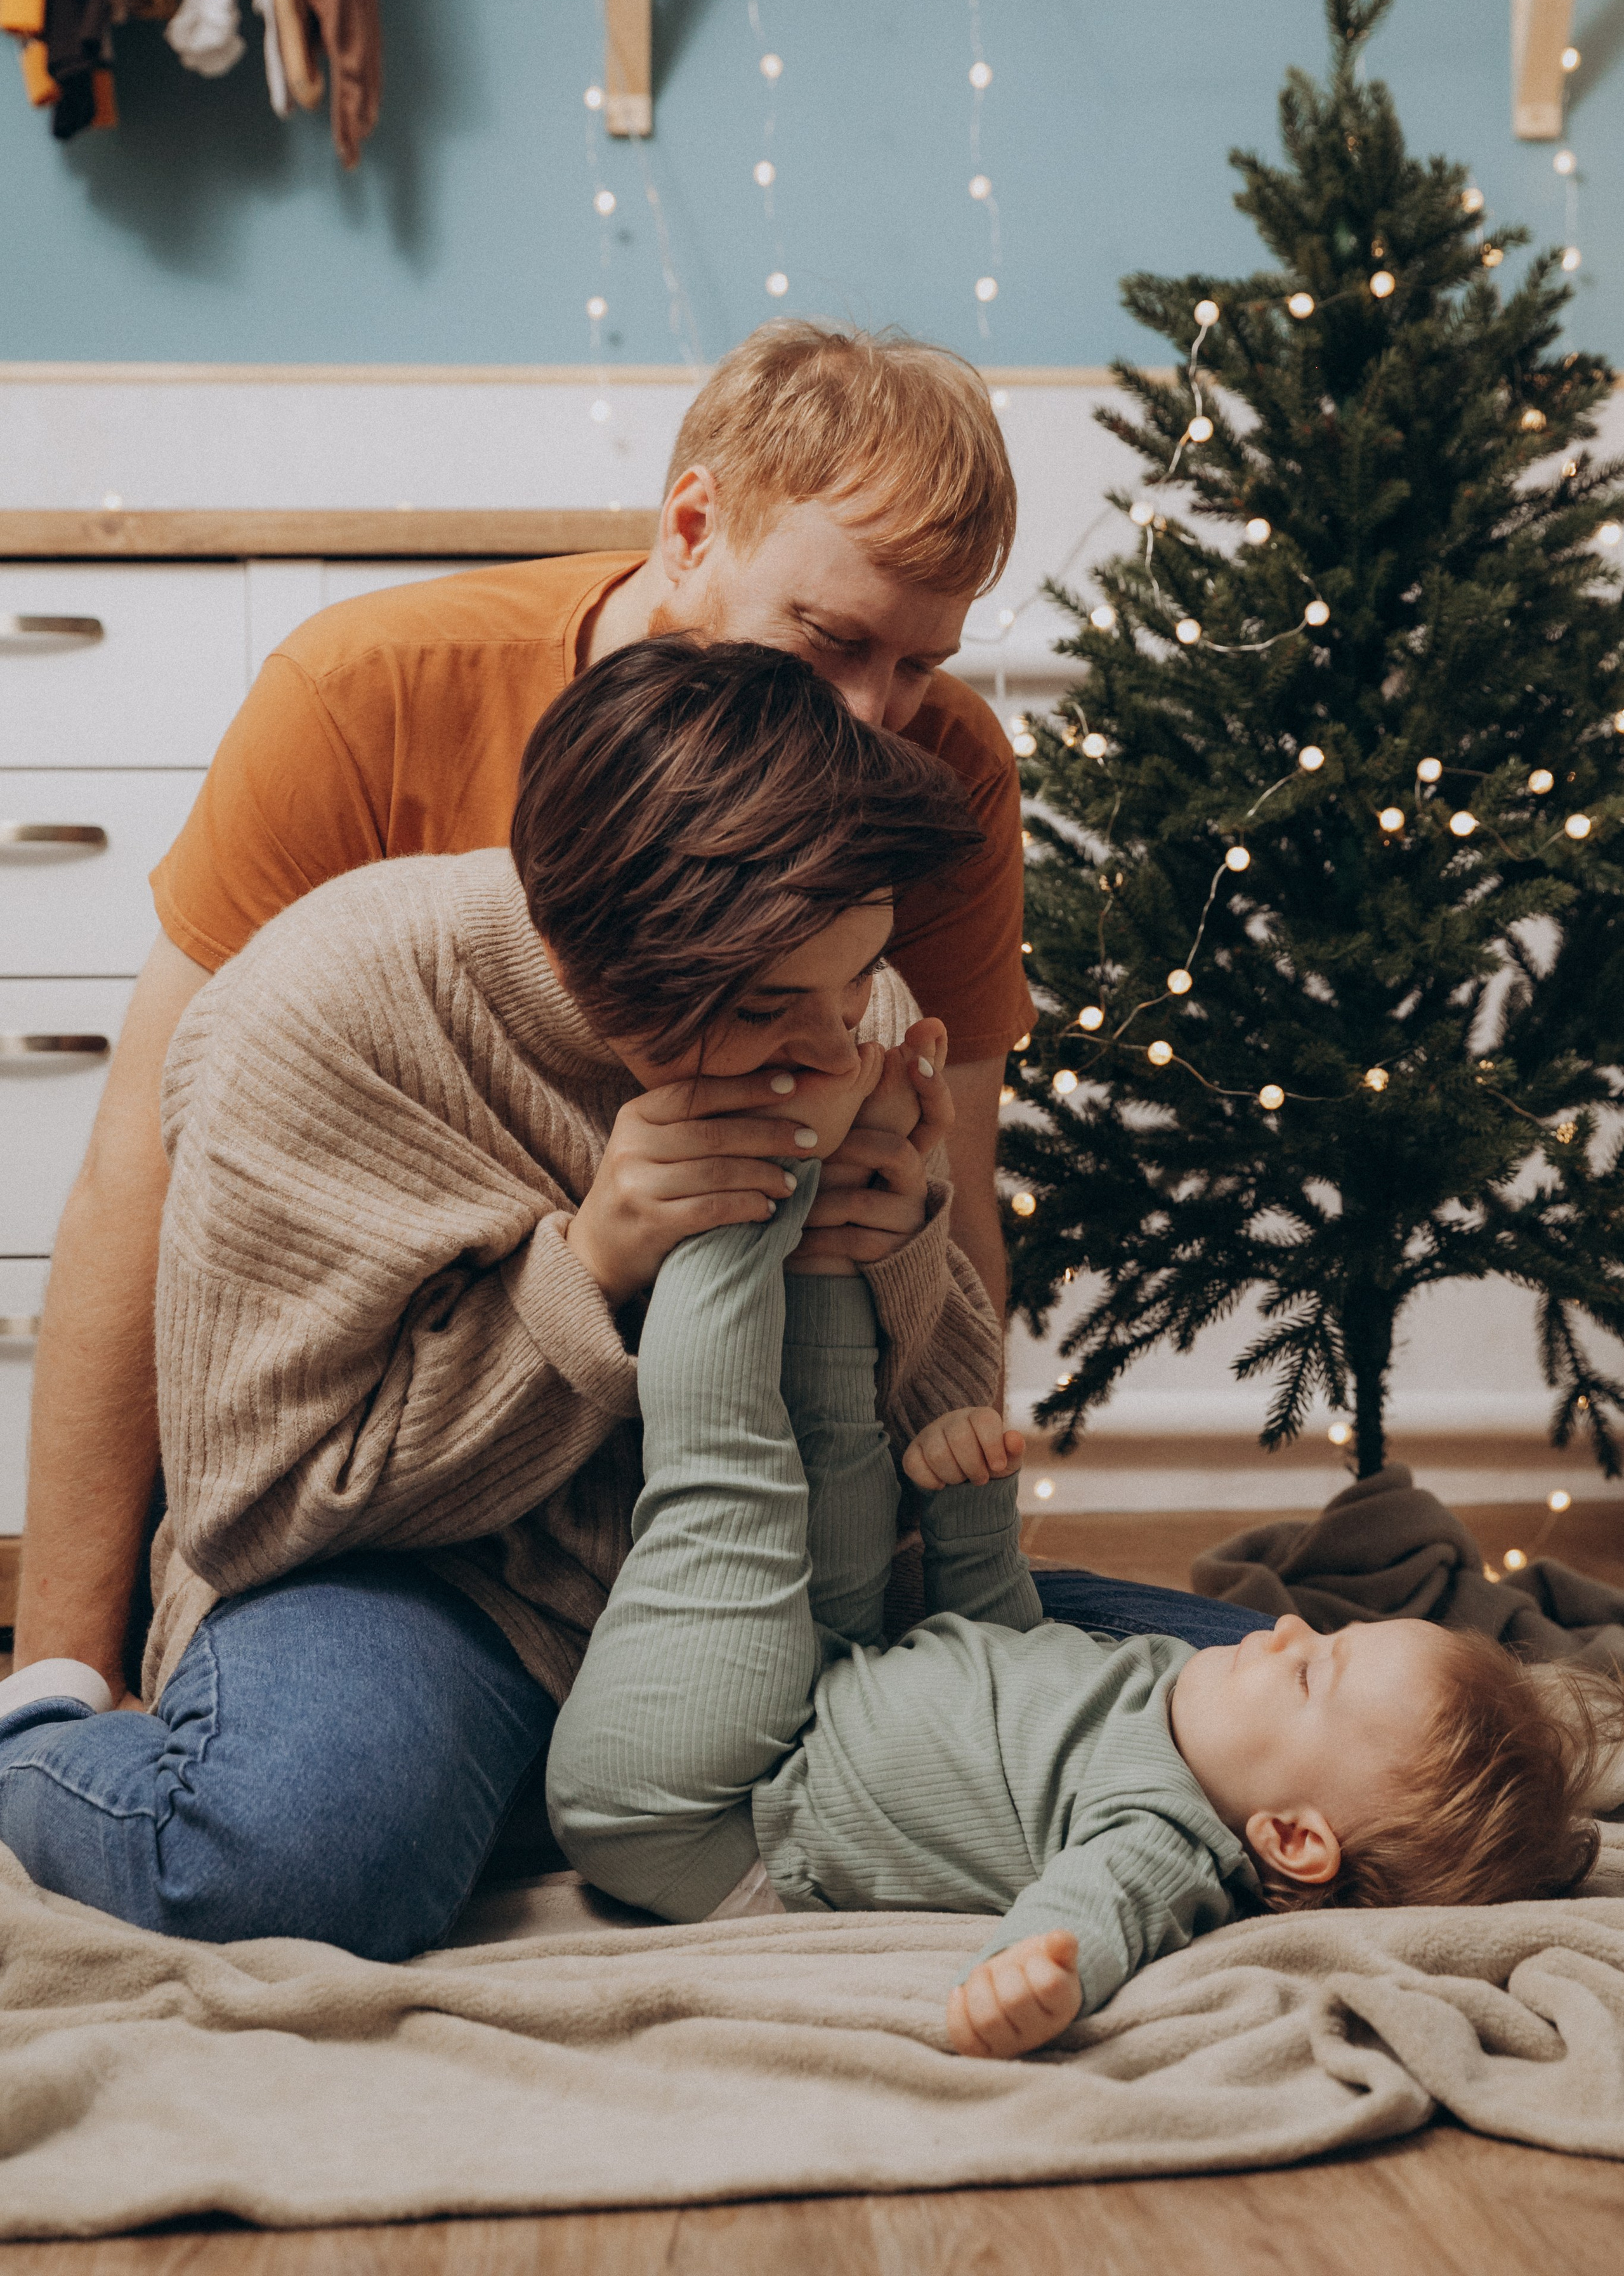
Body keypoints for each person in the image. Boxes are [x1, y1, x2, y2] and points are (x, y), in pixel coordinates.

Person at [15, 317, 1262, 1697]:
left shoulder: (941, 768)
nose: (871, 717)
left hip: (755, 1496)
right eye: (830, 638)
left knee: (1330, 1710)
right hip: (413, 1513)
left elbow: (952, 1184)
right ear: (689, 528)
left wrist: (950, 1581)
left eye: (920, 663)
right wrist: (61, 1671)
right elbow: (142, 1180)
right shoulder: (365, 696)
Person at [0, 641, 1003, 1956]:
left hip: (778, 1593)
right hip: (426, 1594)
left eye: (853, 985)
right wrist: (588, 1269)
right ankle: (46, 1752)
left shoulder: (828, 982)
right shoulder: (322, 1015)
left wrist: (898, 1249)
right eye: (767, 1008)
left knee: (1243, 1708)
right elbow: (252, 1509)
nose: (828, 1045)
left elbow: (939, 1433)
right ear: (583, 945)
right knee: (293, 1870)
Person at [547, 1155, 1618, 2059]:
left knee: (735, 1486)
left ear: (1292, 1840)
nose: (1286, 1627)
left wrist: (1037, 1977)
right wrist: (971, 1520)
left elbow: (1092, 1913)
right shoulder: (1175, 1698)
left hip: (706, 1813)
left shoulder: (1166, 1834)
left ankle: (740, 1191)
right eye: (1320, 1635)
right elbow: (1010, 1655)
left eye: (1309, 1672)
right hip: (831, 1684)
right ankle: (823, 1233)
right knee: (842, 1461)